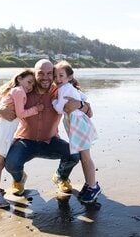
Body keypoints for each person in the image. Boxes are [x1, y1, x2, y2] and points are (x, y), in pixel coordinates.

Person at [0, 59, 90, 196]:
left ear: (53, 75)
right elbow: (0, 106)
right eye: (41, 73)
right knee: (11, 163)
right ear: (35, 74)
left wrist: (80, 105)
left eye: (49, 73)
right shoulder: (24, 90)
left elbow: (89, 111)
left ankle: (61, 177)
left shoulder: (60, 91)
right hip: (25, 141)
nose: (45, 77)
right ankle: (19, 179)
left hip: (50, 141)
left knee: (74, 155)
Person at [0, 69, 45, 209]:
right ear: (19, 78)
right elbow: (21, 113)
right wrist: (37, 109)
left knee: (0, 162)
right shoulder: (18, 91)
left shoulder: (15, 91)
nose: (30, 86)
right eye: (29, 82)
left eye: (32, 85)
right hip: (5, 129)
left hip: (6, 129)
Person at [52, 61, 101, 203]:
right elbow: (84, 98)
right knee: (84, 156)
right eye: (55, 76)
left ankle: (93, 187)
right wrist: (79, 103)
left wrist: (53, 102)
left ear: (69, 77)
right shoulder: (69, 88)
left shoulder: (64, 89)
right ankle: (89, 183)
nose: (57, 79)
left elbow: (60, 109)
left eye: (61, 75)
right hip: (79, 124)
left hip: (78, 125)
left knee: (85, 157)